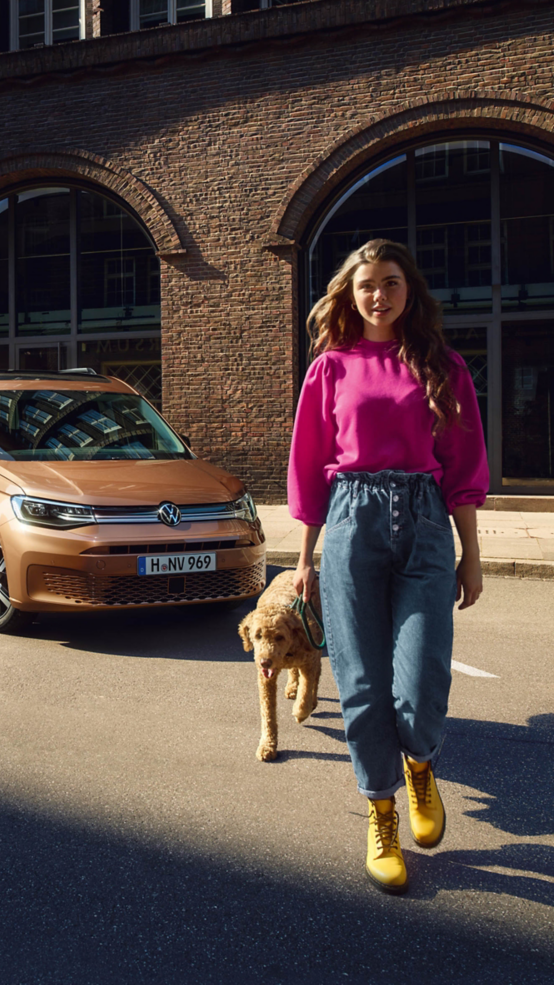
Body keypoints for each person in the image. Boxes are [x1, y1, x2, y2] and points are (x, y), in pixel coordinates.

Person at [287, 239, 488, 896]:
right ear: (351, 291)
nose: (379, 294)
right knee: (363, 683)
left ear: (410, 289)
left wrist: (472, 556)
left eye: (391, 281)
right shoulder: (331, 368)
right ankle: (381, 812)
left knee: (424, 673)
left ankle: (421, 762)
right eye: (367, 283)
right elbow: (310, 468)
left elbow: (463, 465)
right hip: (349, 521)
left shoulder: (442, 365)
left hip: (427, 520)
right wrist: (304, 561)